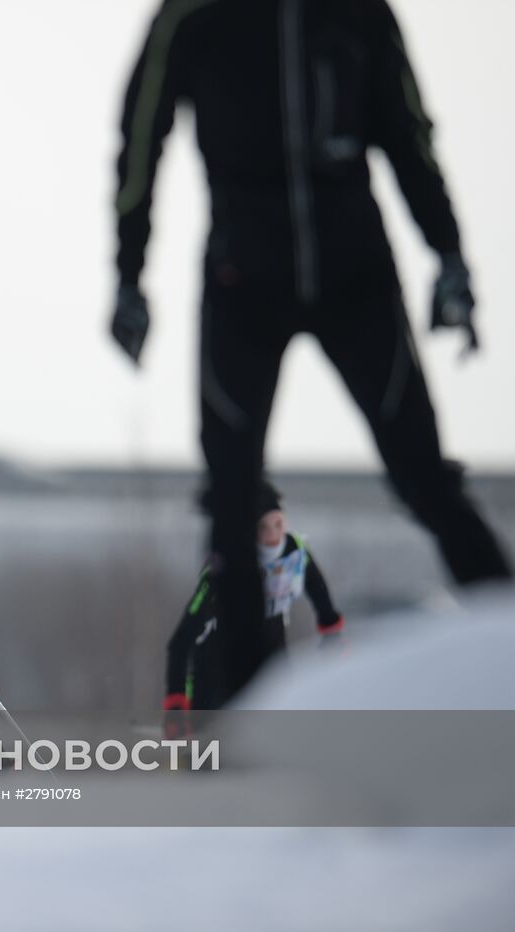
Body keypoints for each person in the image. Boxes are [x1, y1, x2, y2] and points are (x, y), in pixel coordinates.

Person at [110, 0, 511, 704]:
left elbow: (408, 132)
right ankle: (250, 708)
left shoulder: (358, 11)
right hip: (243, 283)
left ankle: (503, 648)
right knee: (233, 501)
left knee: (425, 478)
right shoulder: (193, 15)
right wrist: (128, 275)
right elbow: (142, 134)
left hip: (356, 278)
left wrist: (448, 255)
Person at [164, 482, 343, 714]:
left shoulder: (294, 552)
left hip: (272, 660)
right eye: (263, 528)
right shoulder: (225, 569)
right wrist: (176, 701)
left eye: (278, 525)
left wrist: (332, 631)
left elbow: (318, 590)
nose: (273, 537)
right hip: (217, 667)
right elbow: (180, 643)